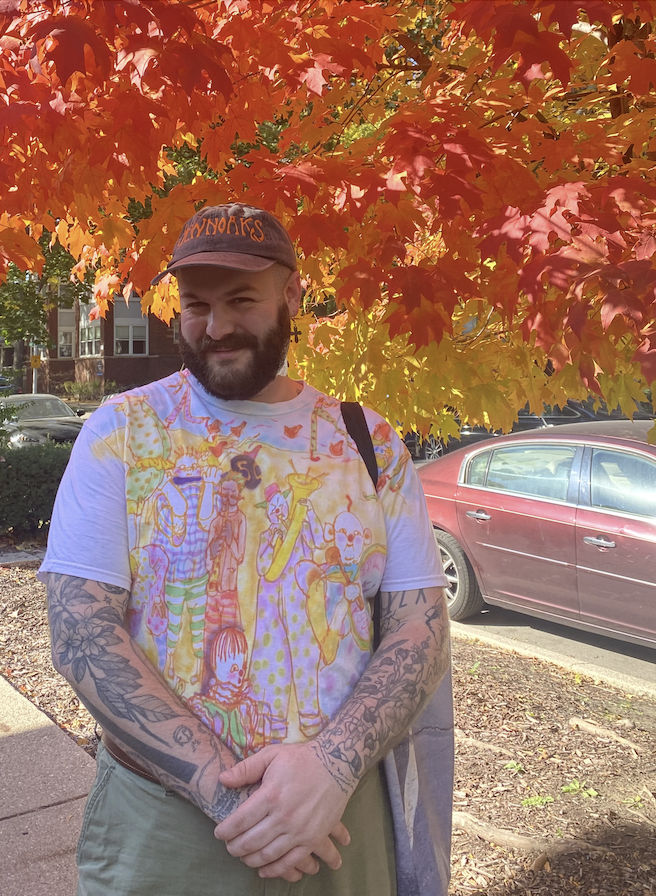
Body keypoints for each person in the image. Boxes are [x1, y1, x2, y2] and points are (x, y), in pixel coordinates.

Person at [39, 202, 451, 896]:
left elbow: (419, 627)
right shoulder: (122, 431)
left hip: (338, 818)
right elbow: (80, 630)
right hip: (166, 824)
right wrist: (236, 802)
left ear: (292, 294)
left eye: (242, 300)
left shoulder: (368, 442)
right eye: (196, 304)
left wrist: (333, 768)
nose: (217, 325)